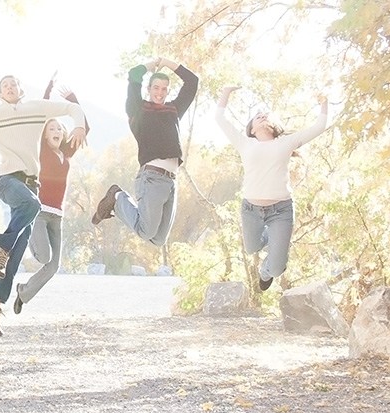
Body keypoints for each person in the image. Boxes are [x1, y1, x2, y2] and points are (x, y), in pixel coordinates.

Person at [0, 75, 86, 336]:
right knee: (33, 206)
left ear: (21, 89)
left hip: (31, 186)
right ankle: (1, 249)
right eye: (4, 85)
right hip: (8, 181)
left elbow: (72, 109)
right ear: (0, 92)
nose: (10, 87)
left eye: (13, 84)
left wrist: (79, 126)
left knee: (18, 249)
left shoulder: (35, 110)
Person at [215, 86, 328, 291]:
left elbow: (320, 126)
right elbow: (220, 118)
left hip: (281, 211)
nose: (262, 116)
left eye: (265, 115)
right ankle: (277, 238)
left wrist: (324, 100)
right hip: (251, 210)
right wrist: (226, 92)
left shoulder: (286, 142)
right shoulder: (244, 143)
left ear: (273, 125)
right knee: (252, 248)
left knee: (276, 269)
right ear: (252, 129)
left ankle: (266, 269)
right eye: (257, 117)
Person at [91, 57, 199, 251]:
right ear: (148, 89)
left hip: (171, 181)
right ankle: (117, 197)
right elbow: (134, 74)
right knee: (146, 231)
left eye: (164, 89)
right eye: (156, 87)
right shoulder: (137, 109)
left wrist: (168, 62)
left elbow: (192, 82)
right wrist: (154, 63)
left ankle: (117, 202)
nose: (160, 92)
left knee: (158, 239)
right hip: (152, 178)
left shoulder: (173, 110)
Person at [13, 78, 87, 315]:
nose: (57, 131)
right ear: (44, 135)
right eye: (52, 129)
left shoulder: (66, 153)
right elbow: (42, 116)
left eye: (59, 129)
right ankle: (24, 232)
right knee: (44, 256)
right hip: (39, 212)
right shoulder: (42, 150)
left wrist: (74, 101)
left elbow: (84, 128)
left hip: (57, 216)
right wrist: (47, 91)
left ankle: (23, 292)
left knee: (53, 266)